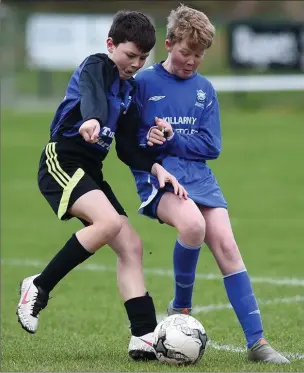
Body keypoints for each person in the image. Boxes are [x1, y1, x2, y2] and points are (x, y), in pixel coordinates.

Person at [16, 10, 188, 361]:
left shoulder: (129, 90)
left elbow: (126, 148)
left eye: (143, 58)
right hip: (61, 161)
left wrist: (155, 165)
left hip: (91, 171)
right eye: (130, 55)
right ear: (111, 45)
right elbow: (93, 92)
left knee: (132, 246)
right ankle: (39, 286)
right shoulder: (97, 66)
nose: (136, 64)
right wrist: (91, 118)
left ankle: (142, 337)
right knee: (107, 224)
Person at [127, 4, 290, 364]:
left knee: (229, 248)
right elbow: (130, 140)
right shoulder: (144, 84)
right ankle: (181, 308)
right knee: (192, 225)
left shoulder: (205, 90)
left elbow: (211, 146)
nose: (191, 61)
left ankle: (257, 343)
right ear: (169, 44)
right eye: (186, 52)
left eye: (199, 55)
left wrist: (173, 138)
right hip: (159, 176)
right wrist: (151, 139)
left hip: (200, 177)